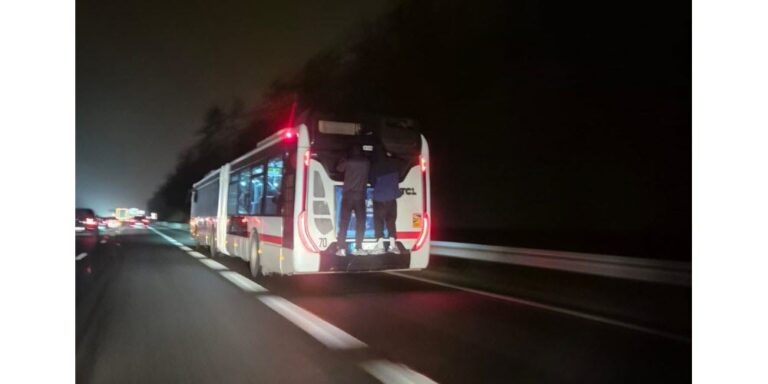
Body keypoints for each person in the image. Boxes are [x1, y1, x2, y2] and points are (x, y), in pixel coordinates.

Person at [335, 145, 370, 256]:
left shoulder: (348, 161)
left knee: (344, 223)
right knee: (361, 223)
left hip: (348, 196)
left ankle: (341, 248)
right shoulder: (366, 162)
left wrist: (343, 157)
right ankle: (358, 247)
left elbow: (338, 168)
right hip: (360, 196)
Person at [369, 147, 402, 254]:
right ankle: (393, 246)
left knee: (378, 221)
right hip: (392, 197)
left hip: (379, 198)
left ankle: (380, 246)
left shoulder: (375, 166)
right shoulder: (394, 163)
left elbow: (373, 183)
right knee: (391, 221)